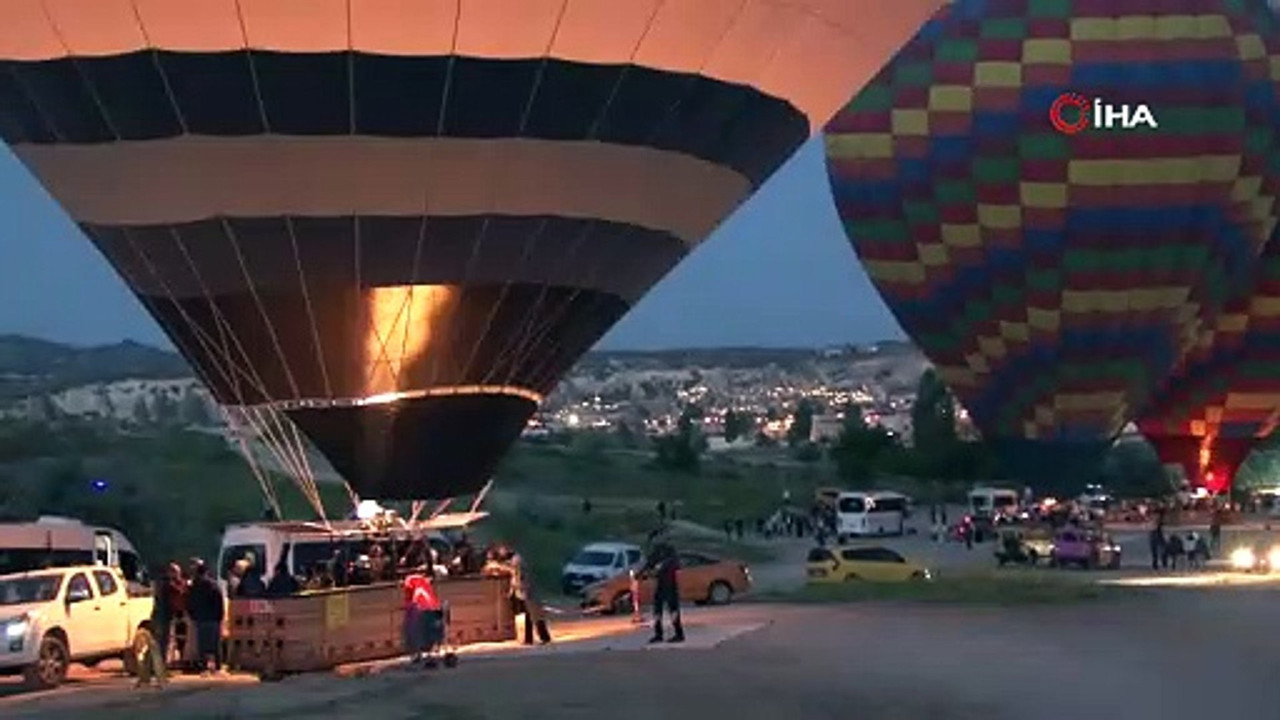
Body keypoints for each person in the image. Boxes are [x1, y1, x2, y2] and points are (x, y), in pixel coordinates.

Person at [641, 532, 684, 644]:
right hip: (660, 583)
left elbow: (675, 563)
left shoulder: (670, 551)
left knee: (673, 609)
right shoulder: (656, 552)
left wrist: (663, 565)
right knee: (657, 609)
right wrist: (640, 574)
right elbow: (649, 563)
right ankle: (658, 634)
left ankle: (679, 634)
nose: (654, 542)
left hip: (670, 583)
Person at [187, 560, 225, 674]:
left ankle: (204, 666)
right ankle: (218, 666)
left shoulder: (195, 585)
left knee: (202, 644)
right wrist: (220, 616)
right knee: (215, 643)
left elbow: (191, 602)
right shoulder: (213, 585)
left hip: (200, 618)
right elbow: (219, 600)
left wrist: (192, 615)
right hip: (213, 618)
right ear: (206, 572)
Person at [506, 549, 551, 645]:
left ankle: (542, 637)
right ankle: (530, 638)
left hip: (527, 591)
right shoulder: (519, 559)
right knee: (530, 615)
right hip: (525, 591)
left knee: (534, 614)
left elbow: (520, 577)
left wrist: (519, 589)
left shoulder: (518, 560)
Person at [148, 569, 173, 670]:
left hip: (158, 616)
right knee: (162, 642)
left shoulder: (159, 587)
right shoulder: (167, 586)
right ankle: (159, 665)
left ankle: (155, 665)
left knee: (158, 642)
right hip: (163, 617)